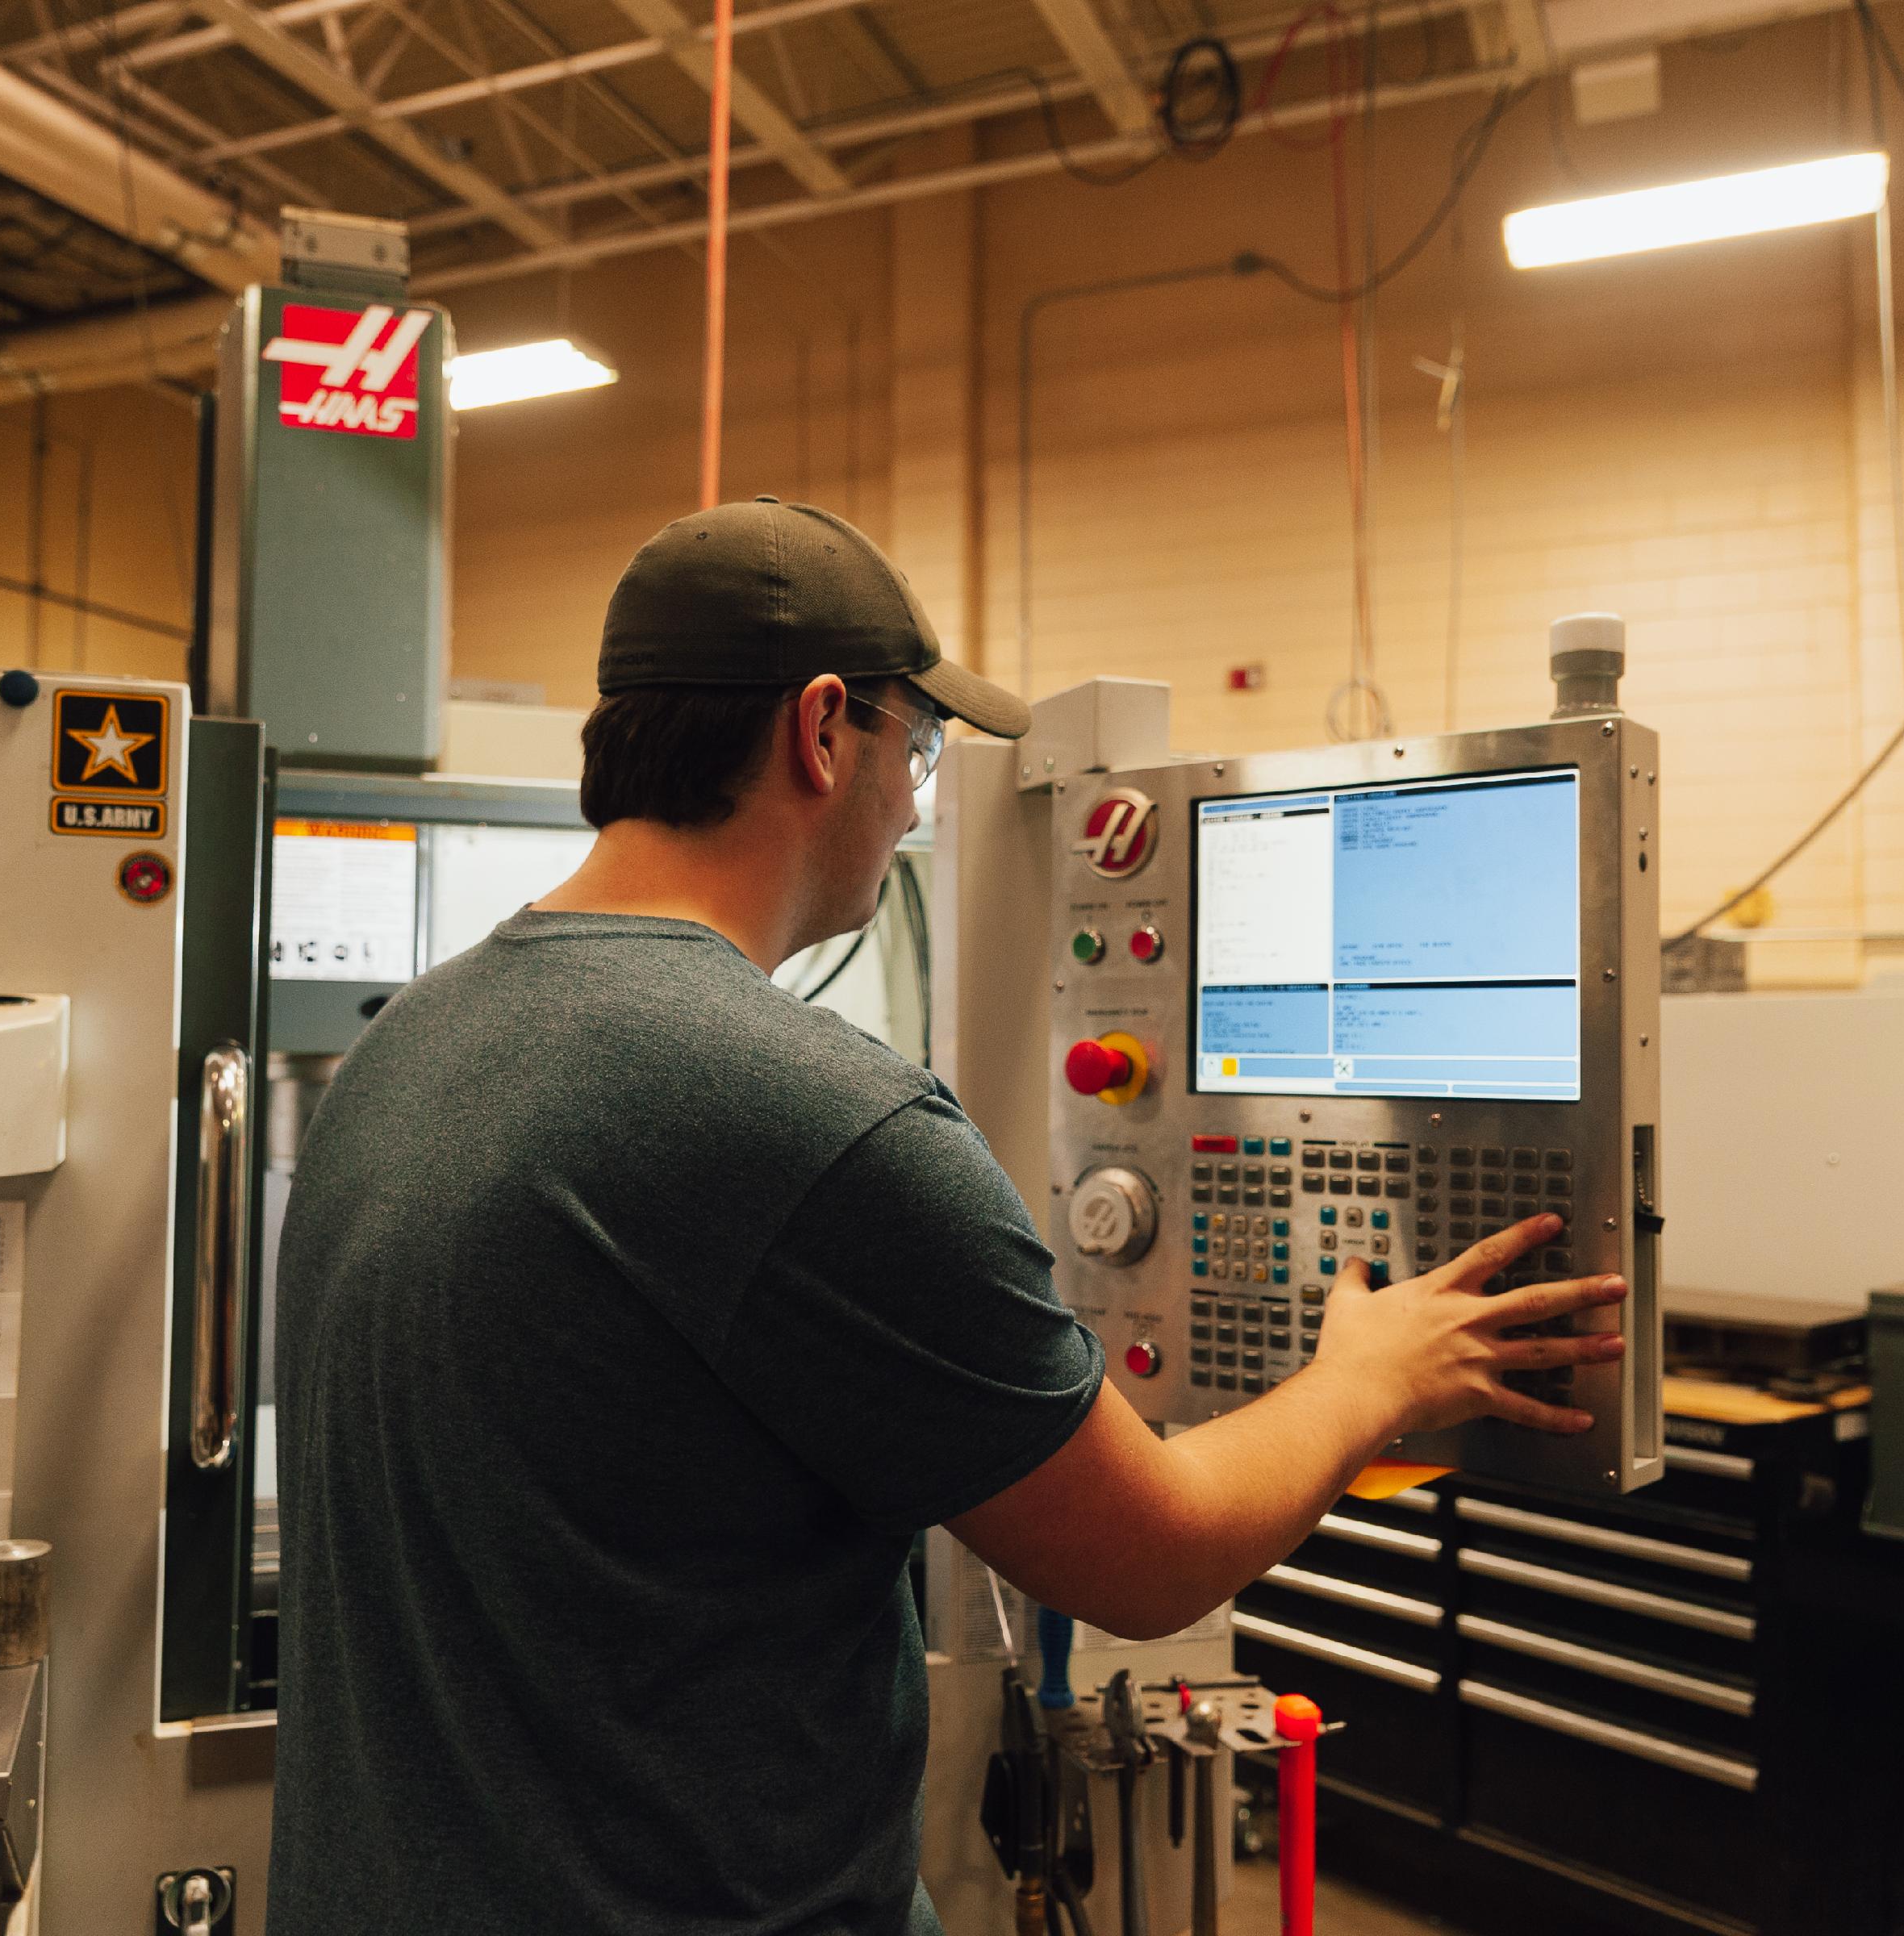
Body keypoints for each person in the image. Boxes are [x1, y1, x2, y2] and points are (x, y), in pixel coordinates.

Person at [266, 497, 1625, 1936]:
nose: (917, 798)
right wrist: (1372, 1376)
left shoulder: (407, 1044)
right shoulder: (815, 1119)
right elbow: (1150, 1555)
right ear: (822, 728)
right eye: (917, 748)